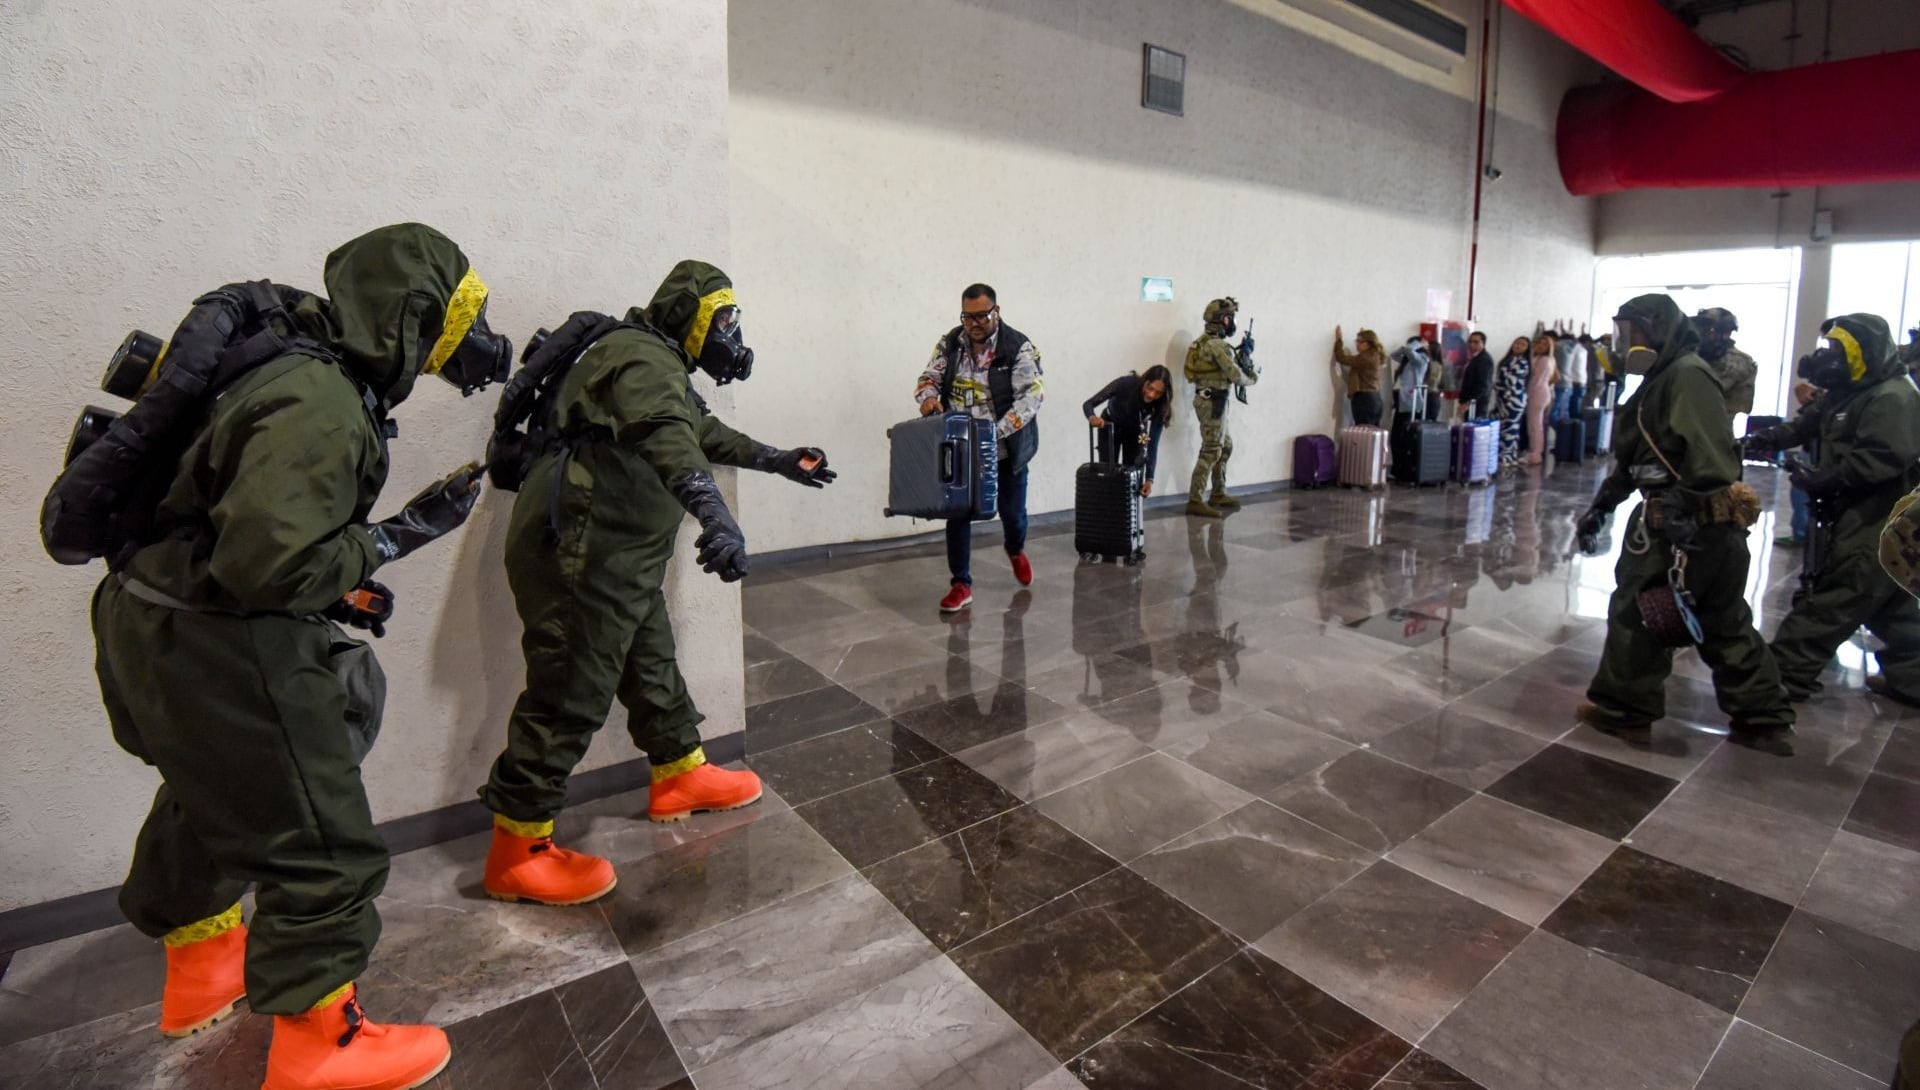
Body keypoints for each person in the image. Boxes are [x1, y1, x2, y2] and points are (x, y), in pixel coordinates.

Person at [91, 224, 503, 1090]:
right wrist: (396, 536)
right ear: (411, 316)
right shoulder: (320, 397)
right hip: (224, 638)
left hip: (155, 616)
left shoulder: (281, 361)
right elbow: (269, 565)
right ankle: (321, 1043)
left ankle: (202, 971)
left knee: (213, 795)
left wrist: (339, 578)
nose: (459, 342)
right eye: (451, 320)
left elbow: (230, 521)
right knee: (318, 834)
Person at [480, 260, 837, 904]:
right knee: (570, 687)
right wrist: (715, 514)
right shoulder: (641, 357)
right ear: (690, 316)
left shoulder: (656, 364)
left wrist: (776, 460)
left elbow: (700, 430)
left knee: (649, 664)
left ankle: (679, 774)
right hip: (582, 550)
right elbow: (667, 436)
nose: (732, 332)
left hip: (617, 554)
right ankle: (517, 848)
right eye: (723, 318)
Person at [1573, 293, 1792, 752]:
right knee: (1722, 618)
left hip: (1685, 524)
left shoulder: (1686, 376)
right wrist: (1603, 505)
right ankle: (1763, 717)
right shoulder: (1665, 377)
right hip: (1703, 526)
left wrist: (1679, 508)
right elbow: (1638, 459)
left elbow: (1710, 461)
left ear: (1657, 330)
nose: (1623, 343)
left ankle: (1624, 712)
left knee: (1637, 613)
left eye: (1630, 332)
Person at [1745, 315, 1920, 705]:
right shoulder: (1847, 391)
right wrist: (1767, 438)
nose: (1829, 358)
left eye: (1837, 351)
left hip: (1881, 513)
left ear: (1863, 353)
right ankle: (1914, 678)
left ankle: (1783, 673)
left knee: (1841, 592)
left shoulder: (1893, 396)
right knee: (1893, 603)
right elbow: (1806, 425)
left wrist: (1824, 478)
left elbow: (1881, 458)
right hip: (1857, 508)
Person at [916, 282, 1044, 610]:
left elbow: (1030, 398)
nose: (974, 323)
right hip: (960, 449)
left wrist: (993, 434)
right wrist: (929, 400)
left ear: (996, 312)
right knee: (956, 513)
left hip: (1005, 449)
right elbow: (928, 378)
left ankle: (1015, 549)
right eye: (967, 316)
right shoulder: (951, 343)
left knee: (1012, 514)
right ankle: (961, 583)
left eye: (982, 316)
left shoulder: (1018, 347)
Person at [1184, 296, 1258, 518]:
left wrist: (1243, 354)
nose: (1232, 322)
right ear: (1221, 320)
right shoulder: (1216, 345)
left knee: (1225, 447)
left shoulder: (1205, 342)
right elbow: (1235, 375)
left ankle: (1218, 492)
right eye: (1229, 317)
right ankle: (1195, 500)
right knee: (1212, 450)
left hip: (1214, 401)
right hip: (1212, 402)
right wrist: (1252, 376)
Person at [1083, 364, 1173, 496]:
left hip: (1133, 433)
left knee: (1131, 476)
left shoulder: (1160, 407)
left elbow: (1152, 445)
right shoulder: (1125, 384)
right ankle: (1108, 511)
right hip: (1109, 426)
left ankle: (1127, 513)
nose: (1151, 394)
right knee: (1109, 475)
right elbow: (1088, 404)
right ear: (1145, 381)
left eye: (1158, 393)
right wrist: (1092, 417)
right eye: (1150, 388)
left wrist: (1149, 479)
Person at [1776, 378, 1821, 549]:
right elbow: (1802, 389)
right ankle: (1800, 534)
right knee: (1799, 493)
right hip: (1810, 446)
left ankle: (1808, 535)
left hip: (1829, 449)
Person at [1695, 307, 1757, 427]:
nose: (1705, 334)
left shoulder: (1739, 362)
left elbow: (1703, 393)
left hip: (1716, 430)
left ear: (1726, 334)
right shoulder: (1696, 354)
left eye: (1711, 330)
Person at [1332, 325, 1386, 426]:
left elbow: (1342, 358)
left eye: (1359, 342)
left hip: (1365, 399)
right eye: (1356, 341)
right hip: (1374, 398)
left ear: (1368, 344)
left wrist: (1339, 340)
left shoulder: (1365, 358)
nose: (1357, 344)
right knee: (1371, 433)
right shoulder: (1374, 355)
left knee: (1363, 431)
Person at [1495, 335, 1531, 468]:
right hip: (1503, 398)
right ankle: (1508, 455)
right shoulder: (1507, 360)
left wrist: (1498, 386)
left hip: (1514, 399)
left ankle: (1507, 455)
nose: (1518, 346)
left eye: (1523, 345)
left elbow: (1511, 380)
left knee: (1511, 427)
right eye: (1517, 343)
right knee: (1505, 426)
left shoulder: (1523, 363)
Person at [1525, 332, 1557, 465]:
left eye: (1545, 345)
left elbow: (1536, 380)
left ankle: (1536, 453)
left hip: (1537, 393)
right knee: (1534, 424)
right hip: (1541, 392)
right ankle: (1535, 450)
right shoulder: (1542, 359)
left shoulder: (1544, 360)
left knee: (1535, 425)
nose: (1541, 346)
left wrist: (1527, 394)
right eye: (1539, 343)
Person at [1460, 331, 1495, 422]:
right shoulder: (1474, 358)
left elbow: (1483, 384)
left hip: (1477, 403)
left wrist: (1470, 402)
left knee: (1474, 429)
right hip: (1470, 401)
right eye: (1470, 342)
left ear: (1483, 343)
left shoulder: (1484, 360)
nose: (1472, 344)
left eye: (1476, 342)